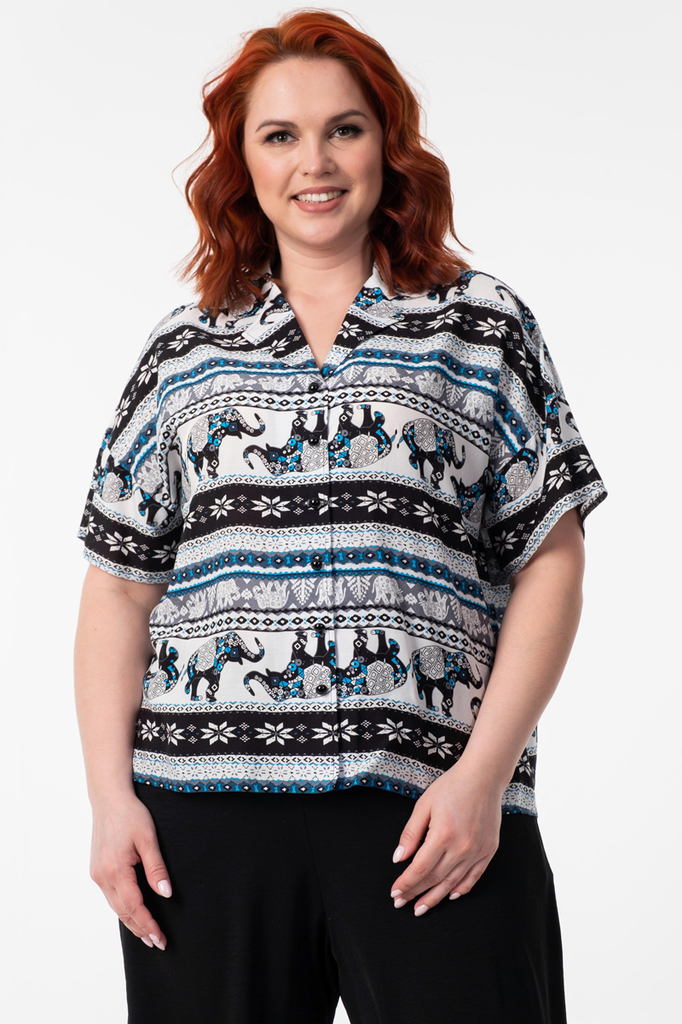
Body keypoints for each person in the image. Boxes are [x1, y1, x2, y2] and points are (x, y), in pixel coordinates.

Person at [73, 10, 608, 1024]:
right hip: (205, 821)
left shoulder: (480, 325)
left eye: (344, 129)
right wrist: (110, 801)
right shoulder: (184, 350)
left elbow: (552, 557)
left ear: (386, 144)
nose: (313, 162)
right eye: (279, 135)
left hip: (433, 814)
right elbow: (118, 586)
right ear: (242, 160)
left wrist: (483, 777)